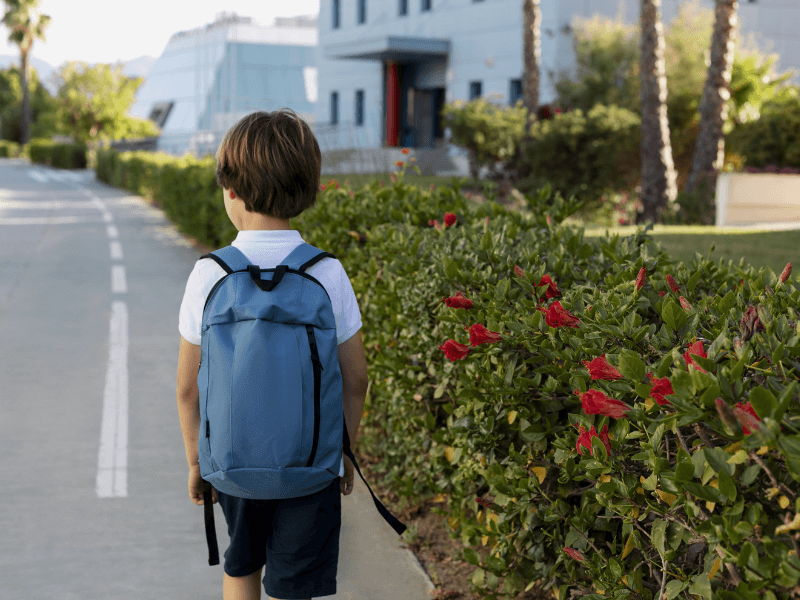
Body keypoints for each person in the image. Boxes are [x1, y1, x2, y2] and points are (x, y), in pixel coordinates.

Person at [176, 108, 366, 600]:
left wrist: (198, 463)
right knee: (297, 585)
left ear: (231, 190)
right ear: (306, 188)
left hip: (233, 467)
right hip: (310, 468)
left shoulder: (210, 275)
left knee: (241, 570)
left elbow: (186, 387)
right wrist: (344, 452)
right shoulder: (327, 273)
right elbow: (356, 377)